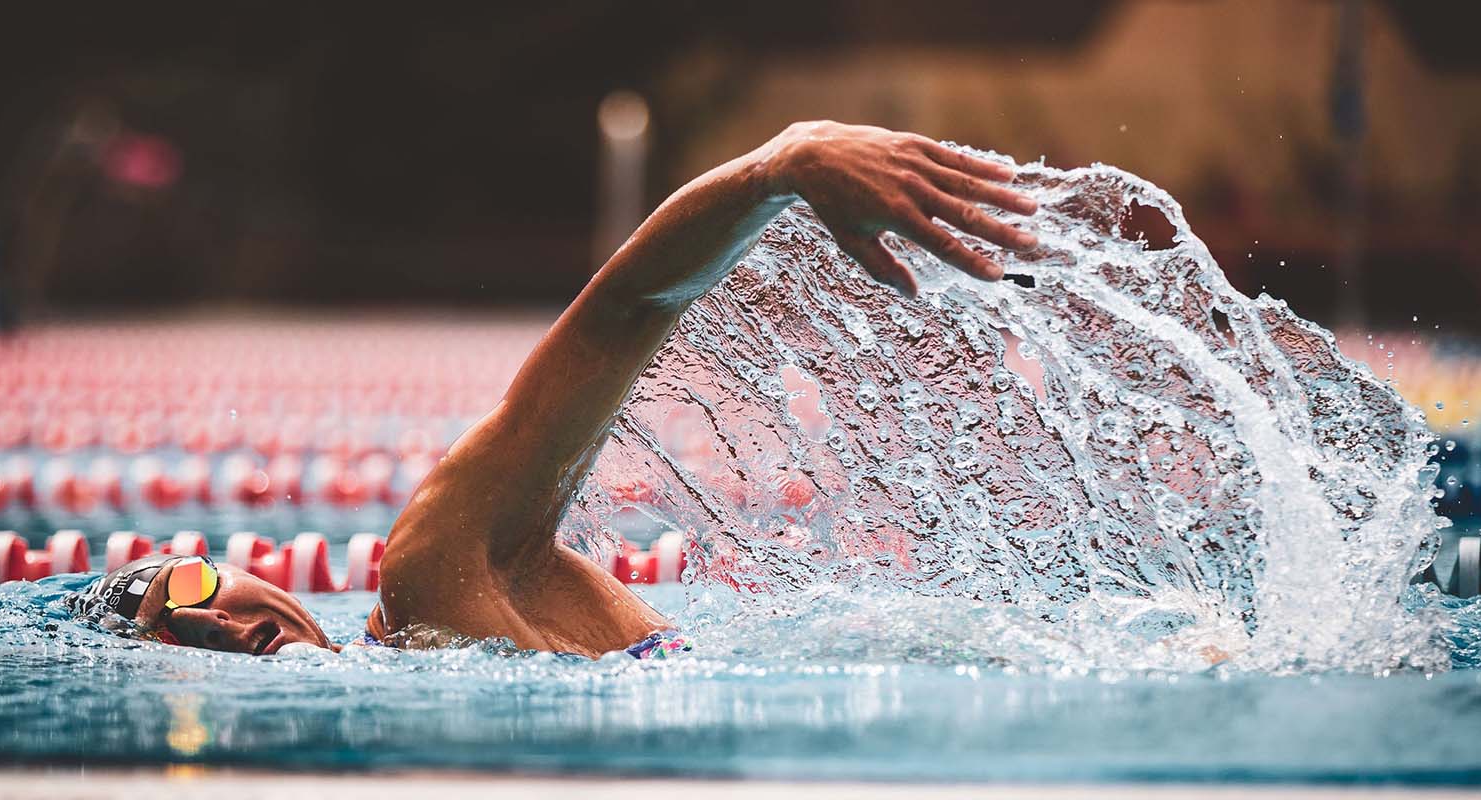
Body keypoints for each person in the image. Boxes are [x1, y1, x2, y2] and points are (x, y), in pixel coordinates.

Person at [72, 121, 1041, 658]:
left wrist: (778, 168)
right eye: (174, 650)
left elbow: (623, 309)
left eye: (189, 585)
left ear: (255, 574)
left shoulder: (436, 575)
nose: (211, 622)